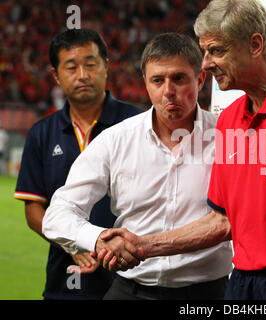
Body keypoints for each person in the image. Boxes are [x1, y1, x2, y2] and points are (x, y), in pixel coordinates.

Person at [97, 0, 266, 300]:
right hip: (241, 284)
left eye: (216, 51)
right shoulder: (230, 119)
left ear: (255, 45)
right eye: (205, 51)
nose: (206, 63)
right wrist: (144, 245)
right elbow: (221, 221)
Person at [42, 32, 233, 300]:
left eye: (179, 78)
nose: (168, 91)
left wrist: (141, 246)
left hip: (207, 293)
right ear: (145, 84)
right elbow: (57, 214)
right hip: (130, 290)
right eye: (158, 80)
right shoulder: (115, 141)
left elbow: (233, 222)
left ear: (200, 79)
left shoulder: (229, 140)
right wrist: (99, 239)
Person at [14, 28, 142, 300]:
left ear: (106, 67)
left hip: (132, 276)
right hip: (66, 276)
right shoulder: (42, 133)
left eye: (91, 64)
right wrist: (72, 242)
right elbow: (34, 207)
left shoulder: (139, 124)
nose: (82, 75)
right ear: (56, 76)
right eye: (71, 67)